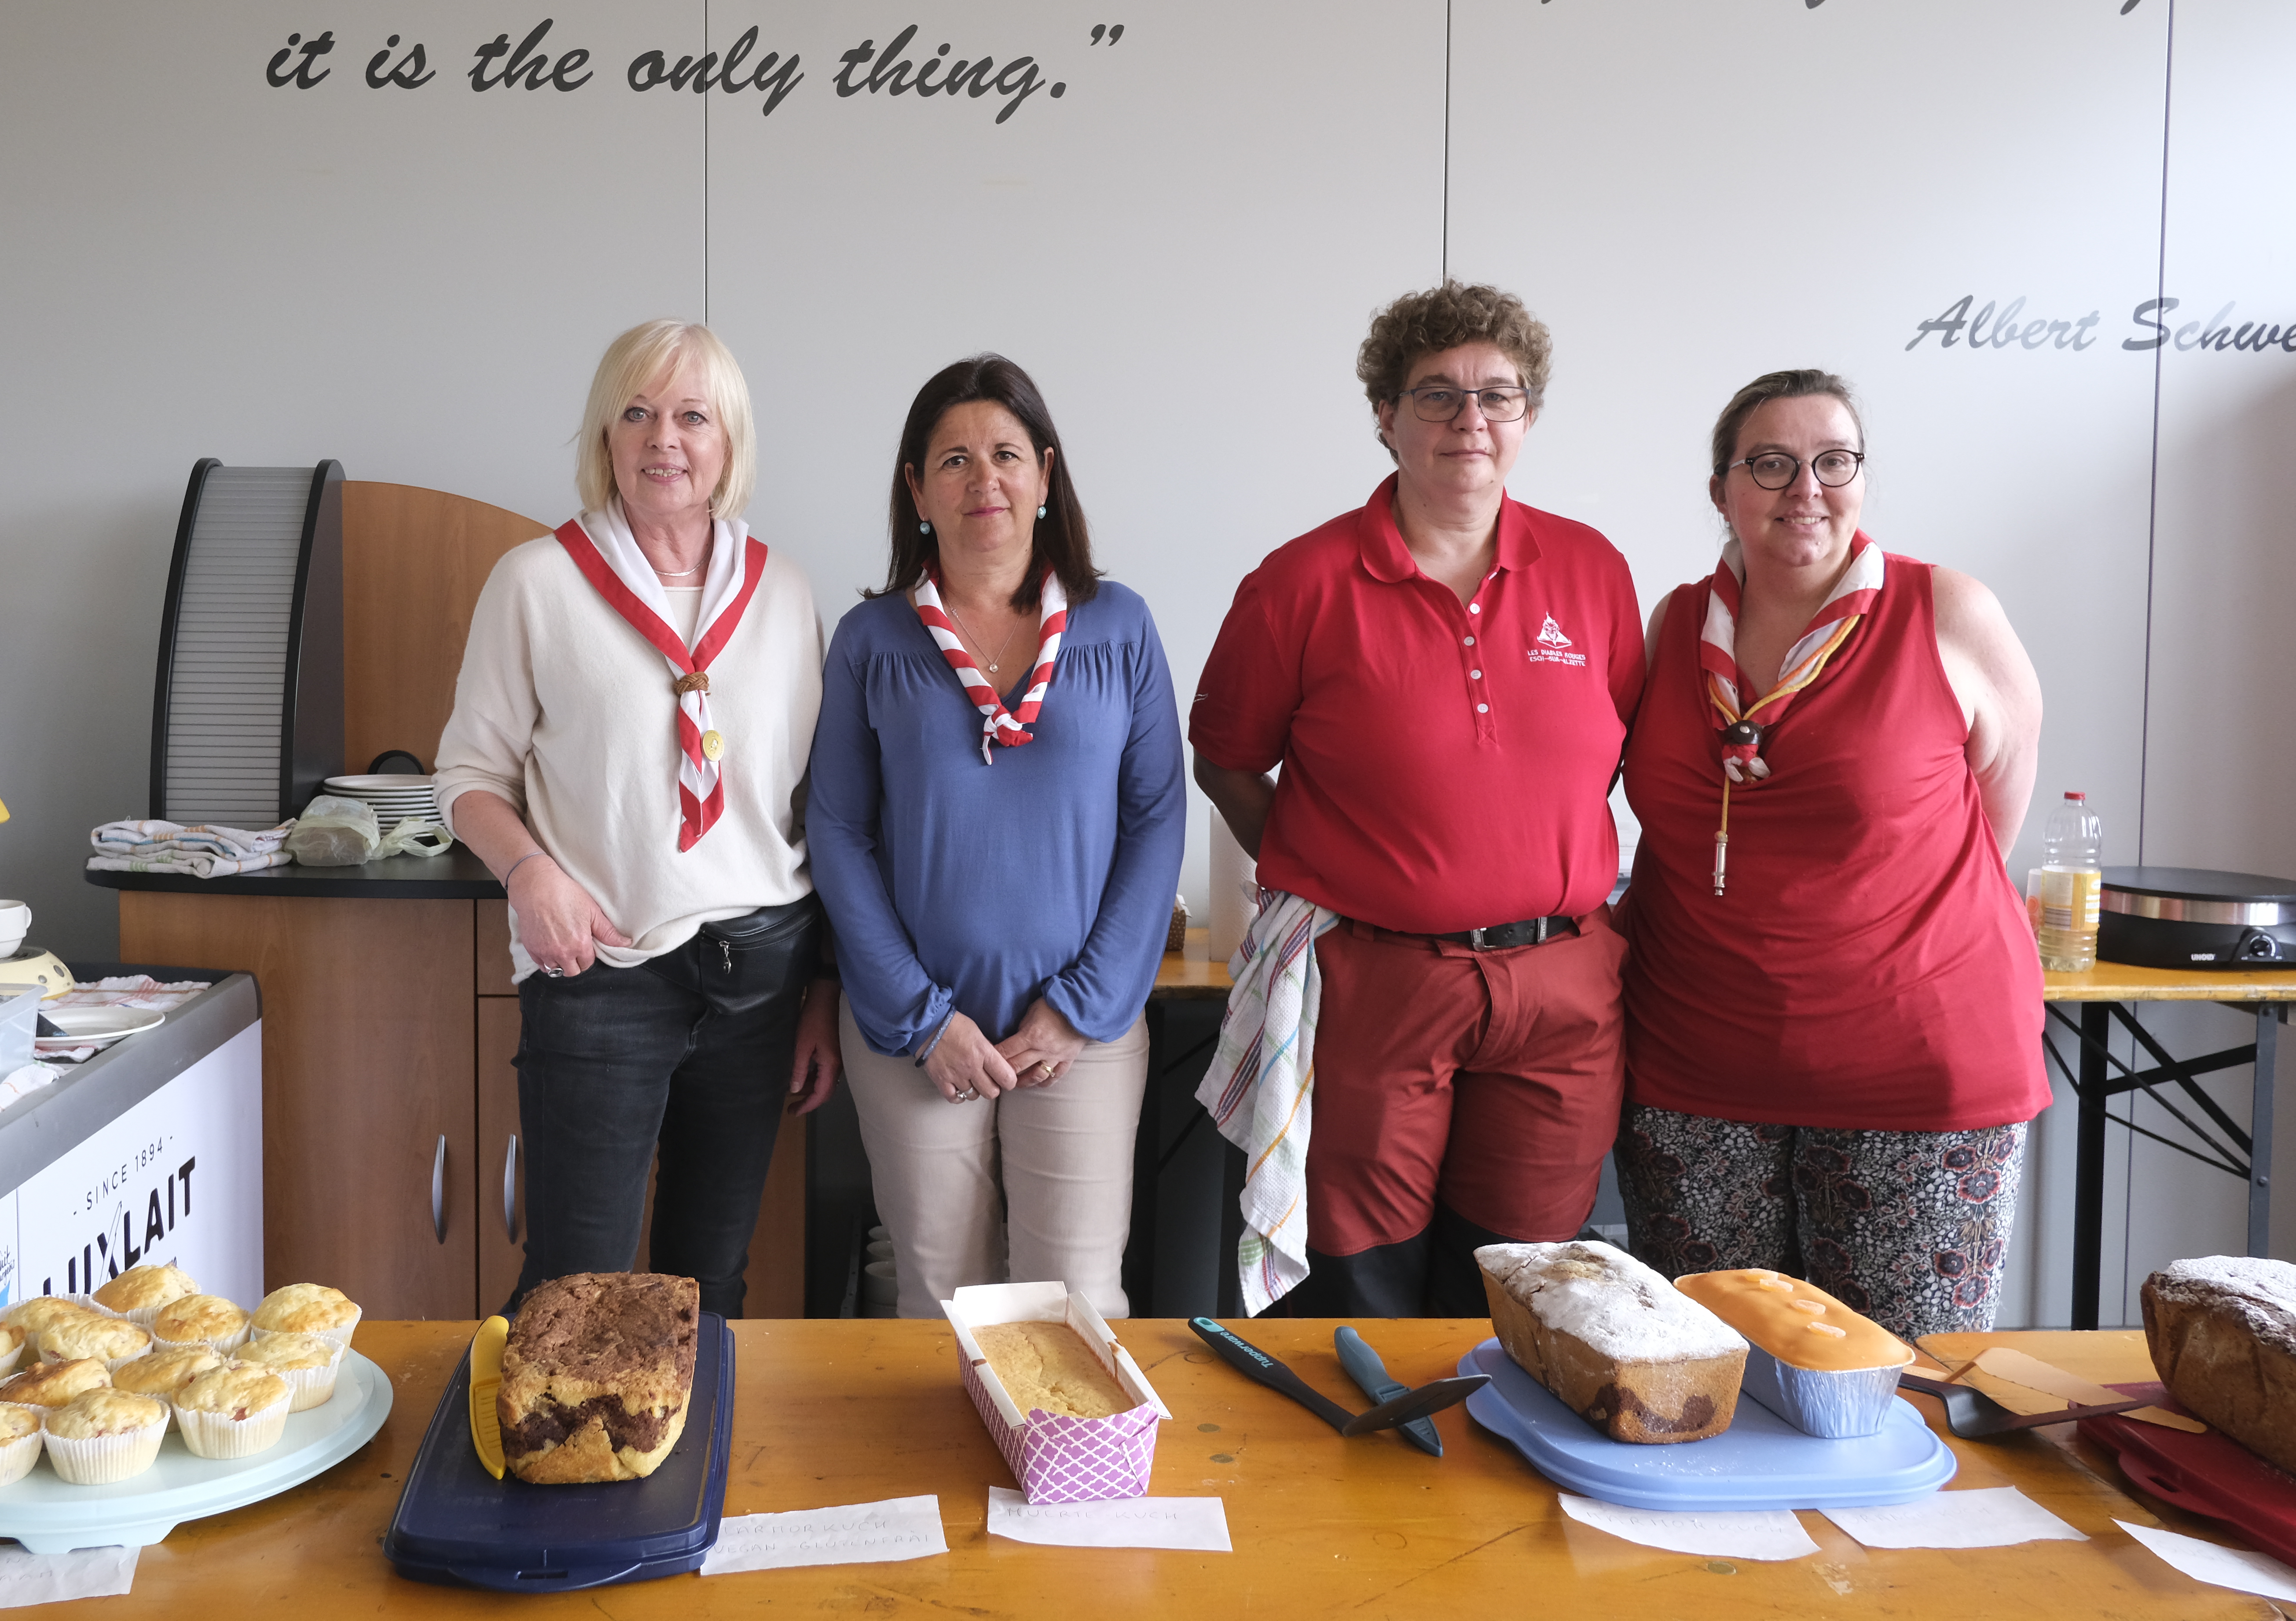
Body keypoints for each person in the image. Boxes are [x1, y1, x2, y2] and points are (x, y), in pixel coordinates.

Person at [1191, 280, 1642, 1317]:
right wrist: (1334, 873)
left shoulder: (1592, 570)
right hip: (1375, 987)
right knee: (1360, 1286)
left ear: (1528, 416)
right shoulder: (1299, 583)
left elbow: (1606, 759)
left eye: (1498, 395)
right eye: (1436, 395)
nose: (1469, 420)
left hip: (1561, 995)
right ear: (1385, 417)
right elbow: (1224, 756)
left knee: (1528, 1291)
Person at [1614, 369, 2047, 1337]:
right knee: (1710, 1387)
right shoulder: (1673, 624)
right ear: (1722, 490)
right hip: (1693, 1070)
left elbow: (1993, 809)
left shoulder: (1949, 612)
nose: (1805, 488)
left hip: (1918, 1075)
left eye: (1832, 461)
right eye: (1770, 465)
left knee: (1903, 1391)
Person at [434, 319, 841, 1318]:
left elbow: (819, 807)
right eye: (639, 413)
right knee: (579, 1287)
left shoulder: (785, 594)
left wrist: (823, 991)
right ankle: (567, 1476)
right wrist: (531, 874)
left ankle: (691, 1472)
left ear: (728, 444)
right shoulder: (536, 583)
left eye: (693, 416)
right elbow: (466, 776)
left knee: (713, 1279)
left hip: (761, 974)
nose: (666, 438)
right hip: (603, 972)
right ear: (605, 437)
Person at [806, 354, 1185, 1318]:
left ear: (1047, 476)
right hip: (914, 1034)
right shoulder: (871, 640)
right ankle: (950, 1480)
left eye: (1008, 454)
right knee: (940, 1299)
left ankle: (1065, 1478)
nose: (985, 481)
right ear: (916, 489)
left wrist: (1086, 1003)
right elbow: (839, 832)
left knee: (1077, 1300)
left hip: (1081, 1032)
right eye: (956, 460)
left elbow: (1156, 820)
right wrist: (921, 1017)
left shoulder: (1120, 628)